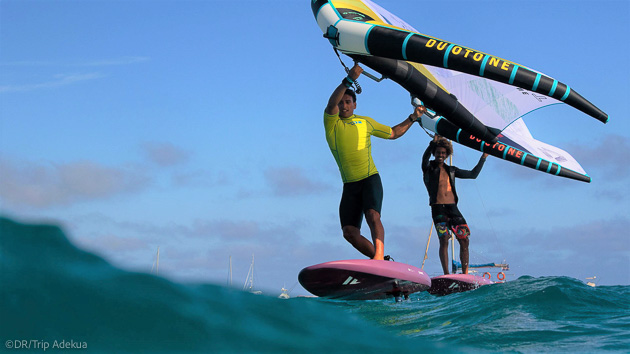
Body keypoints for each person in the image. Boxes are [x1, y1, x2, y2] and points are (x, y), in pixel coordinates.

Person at [324, 63, 426, 260]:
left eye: (348, 102)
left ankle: (378, 258)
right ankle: (380, 260)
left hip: (370, 179)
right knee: (349, 233)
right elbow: (330, 105)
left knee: (373, 216)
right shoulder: (332, 123)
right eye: (341, 102)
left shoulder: (366, 122)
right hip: (349, 185)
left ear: (355, 105)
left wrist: (413, 118)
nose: (343, 105)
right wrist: (348, 81)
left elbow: (394, 133)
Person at [422, 135, 488, 274]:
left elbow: (473, 174)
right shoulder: (428, 168)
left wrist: (484, 157)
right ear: (434, 153)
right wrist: (432, 143)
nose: (441, 155)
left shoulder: (452, 170)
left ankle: (464, 274)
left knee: (464, 240)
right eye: (438, 152)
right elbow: (425, 158)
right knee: (444, 239)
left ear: (447, 155)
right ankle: (447, 274)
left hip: (453, 209)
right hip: (438, 209)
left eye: (443, 153)